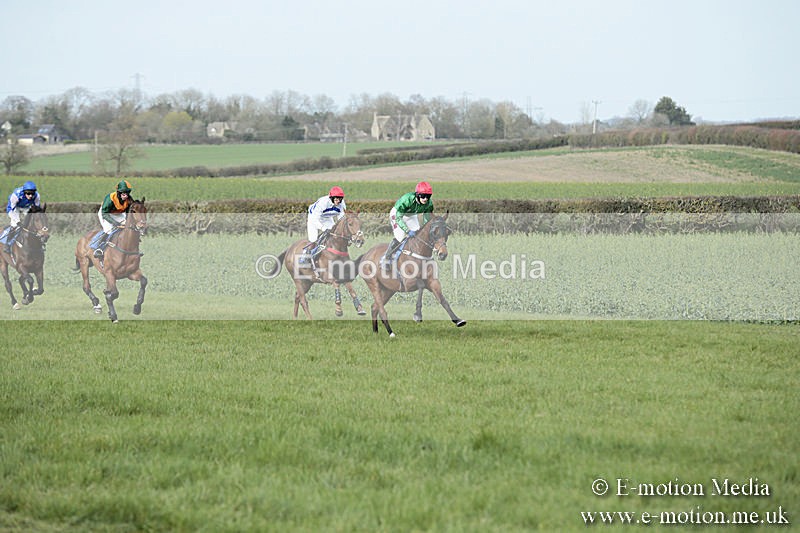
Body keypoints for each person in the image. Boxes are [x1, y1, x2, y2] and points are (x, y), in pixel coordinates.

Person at [381, 181, 434, 268]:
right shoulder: (407, 199)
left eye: (428, 196)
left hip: (411, 215)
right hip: (397, 214)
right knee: (401, 237)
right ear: (417, 195)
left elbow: (427, 219)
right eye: (423, 196)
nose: (425, 199)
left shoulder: (429, 204)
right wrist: (407, 230)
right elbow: (398, 217)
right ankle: (386, 258)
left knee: (418, 234)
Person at [300, 186, 346, 264]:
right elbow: (315, 219)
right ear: (331, 198)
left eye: (340, 199)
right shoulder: (323, 203)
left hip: (327, 218)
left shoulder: (342, 204)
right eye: (336, 199)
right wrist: (323, 228)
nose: (338, 201)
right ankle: (304, 256)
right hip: (314, 218)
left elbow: (341, 219)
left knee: (333, 235)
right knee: (313, 239)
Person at [90, 180, 134, 258]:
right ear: (118, 193)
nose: (125, 196)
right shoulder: (110, 199)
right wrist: (115, 223)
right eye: (123, 193)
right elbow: (105, 214)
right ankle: (98, 247)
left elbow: (128, 213)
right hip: (106, 213)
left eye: (127, 193)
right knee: (109, 229)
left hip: (118, 213)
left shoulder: (129, 200)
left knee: (128, 226)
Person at [3, 181, 41, 254]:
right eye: (28, 193)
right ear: (24, 192)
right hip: (15, 208)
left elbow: (36, 209)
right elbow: (11, 210)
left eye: (32, 193)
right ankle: (7, 244)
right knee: (15, 225)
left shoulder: (37, 196)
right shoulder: (16, 195)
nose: (30, 196)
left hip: (26, 207)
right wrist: (17, 221)